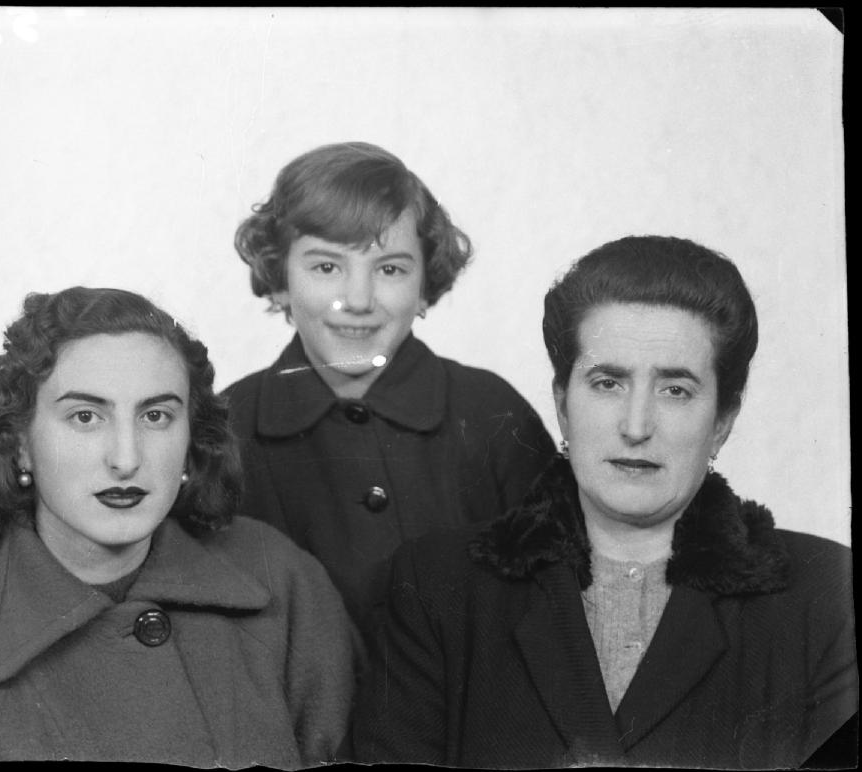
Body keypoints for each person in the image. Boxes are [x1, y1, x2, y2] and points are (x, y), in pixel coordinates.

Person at [353, 235, 857, 768]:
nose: (636, 426)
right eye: (608, 383)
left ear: (722, 421)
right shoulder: (436, 588)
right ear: (563, 406)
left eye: (675, 390)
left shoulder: (829, 596)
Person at [0, 287, 356, 765]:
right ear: (19, 443)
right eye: (86, 417)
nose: (126, 458)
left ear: (191, 439)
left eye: (156, 416)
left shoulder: (283, 582)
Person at [226, 141, 555, 652]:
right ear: (280, 280)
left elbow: (553, 606)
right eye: (326, 267)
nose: (358, 300)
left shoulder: (491, 411)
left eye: (390, 269)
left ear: (424, 287)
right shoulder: (229, 425)